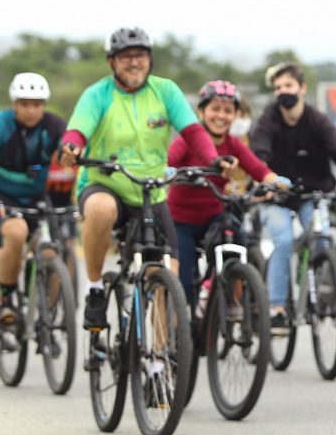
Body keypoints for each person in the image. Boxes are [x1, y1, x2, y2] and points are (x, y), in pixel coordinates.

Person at [60, 26, 222, 330]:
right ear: (112, 62)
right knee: (100, 209)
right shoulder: (97, 94)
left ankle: (159, 362)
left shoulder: (165, 90)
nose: (134, 62)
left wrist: (213, 159)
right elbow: (77, 130)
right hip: (105, 185)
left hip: (152, 192)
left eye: (140, 56)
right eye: (126, 57)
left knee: (168, 277)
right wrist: (72, 146)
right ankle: (94, 287)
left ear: (149, 59)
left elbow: (192, 132)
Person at [167, 80, 286, 306]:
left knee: (238, 235)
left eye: (228, 110)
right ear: (201, 112)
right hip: (181, 222)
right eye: (215, 109)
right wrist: (169, 172)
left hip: (214, 217)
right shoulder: (186, 141)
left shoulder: (233, 144)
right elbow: (168, 163)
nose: (221, 115)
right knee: (183, 284)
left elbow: (258, 169)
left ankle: (229, 293)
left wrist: (276, 181)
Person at [249, 62, 336, 331]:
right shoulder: (268, 120)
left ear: (302, 88)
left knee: (322, 238)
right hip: (276, 195)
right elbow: (259, 154)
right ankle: (277, 308)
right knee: (282, 240)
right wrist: (266, 181)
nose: (283, 91)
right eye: (277, 87)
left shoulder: (318, 121)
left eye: (288, 86)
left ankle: (317, 287)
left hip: (314, 194)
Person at [0, 73, 66, 323]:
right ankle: (6, 298)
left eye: (36, 105)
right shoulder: (1, 124)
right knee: (16, 233)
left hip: (38, 196)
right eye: (24, 104)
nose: (30, 111)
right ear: (15, 104)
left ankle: (47, 316)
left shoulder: (53, 126)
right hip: (3, 196)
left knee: (54, 253)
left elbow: (73, 152)